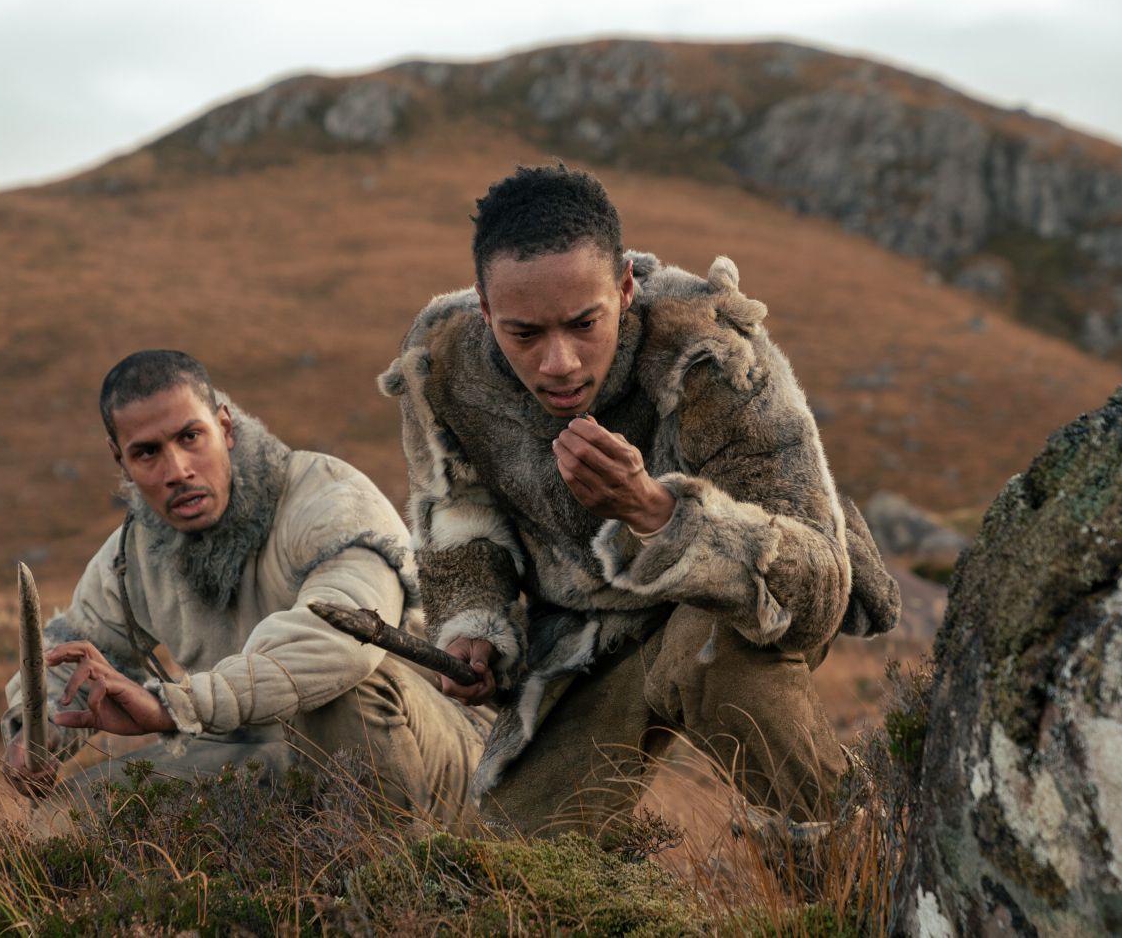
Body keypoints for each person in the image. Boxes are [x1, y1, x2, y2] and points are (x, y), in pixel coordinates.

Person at [378, 165, 900, 835]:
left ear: (624, 287)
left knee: (713, 661)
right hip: (585, 640)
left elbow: (817, 589)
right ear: (484, 309)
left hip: (729, 611)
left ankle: (861, 864)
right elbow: (457, 520)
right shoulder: (444, 365)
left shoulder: (710, 353)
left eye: (582, 323)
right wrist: (472, 631)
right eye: (525, 334)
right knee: (516, 861)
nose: (559, 362)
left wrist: (658, 516)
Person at [0, 349, 485, 823]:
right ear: (121, 461)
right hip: (261, 751)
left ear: (225, 428)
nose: (177, 470)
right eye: (147, 453)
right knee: (64, 818)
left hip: (433, 749)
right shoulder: (133, 553)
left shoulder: (331, 498)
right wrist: (33, 732)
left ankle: (395, 886)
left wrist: (177, 707)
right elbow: (69, 654)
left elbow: (345, 642)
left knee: (346, 692)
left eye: (191, 437)